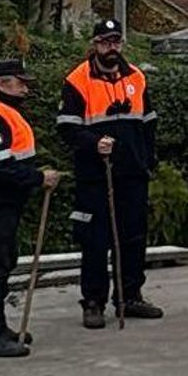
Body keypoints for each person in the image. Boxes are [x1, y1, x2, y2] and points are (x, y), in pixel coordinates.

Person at [57, 18, 163, 328]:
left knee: (133, 237)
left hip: (132, 174)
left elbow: (149, 124)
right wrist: (93, 143)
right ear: (94, 45)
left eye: (116, 41)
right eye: (105, 42)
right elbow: (66, 128)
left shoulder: (137, 78)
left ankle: (129, 296)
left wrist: (147, 161)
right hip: (96, 175)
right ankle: (93, 302)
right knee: (94, 240)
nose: (111, 47)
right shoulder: (77, 80)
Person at [0, 59, 61, 358]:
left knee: (2, 264)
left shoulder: (3, 111)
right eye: (21, 82)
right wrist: (38, 178)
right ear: (3, 84)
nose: (26, 88)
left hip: (2, 202)